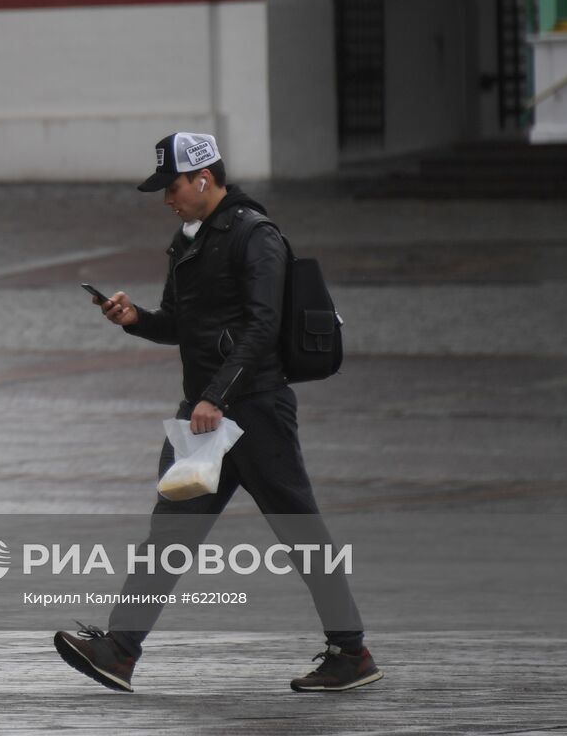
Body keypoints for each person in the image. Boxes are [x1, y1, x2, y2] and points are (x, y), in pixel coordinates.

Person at [53, 132, 381, 693]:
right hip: (207, 413)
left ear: (204, 177)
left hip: (253, 411)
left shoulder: (257, 236)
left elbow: (262, 329)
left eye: (172, 186)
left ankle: (351, 653)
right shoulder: (187, 241)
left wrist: (216, 398)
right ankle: (120, 650)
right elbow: (182, 325)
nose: (166, 199)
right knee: (170, 531)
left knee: (300, 530)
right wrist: (135, 319)